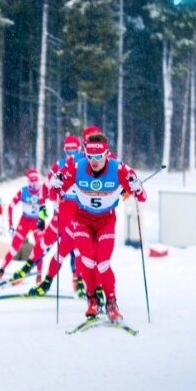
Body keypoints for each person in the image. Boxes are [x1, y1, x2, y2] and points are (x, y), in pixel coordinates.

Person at [47, 132, 146, 322]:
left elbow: (142, 197)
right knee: (87, 261)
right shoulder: (75, 166)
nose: (94, 161)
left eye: (98, 157)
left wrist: (138, 187)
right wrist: (55, 185)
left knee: (102, 262)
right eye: (90, 156)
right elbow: (54, 195)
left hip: (106, 221)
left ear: (106, 154)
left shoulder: (120, 169)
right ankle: (92, 300)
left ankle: (111, 303)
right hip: (82, 219)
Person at [30, 135, 86, 296]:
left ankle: (79, 282)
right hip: (60, 213)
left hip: (78, 216)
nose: (71, 153)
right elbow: (45, 188)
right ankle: (37, 275)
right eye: (68, 150)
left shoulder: (84, 165)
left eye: (74, 150)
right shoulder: (59, 165)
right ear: (64, 150)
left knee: (76, 250)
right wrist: (42, 212)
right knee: (48, 246)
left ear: (79, 149)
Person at [0, 169, 48, 283]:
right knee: (14, 247)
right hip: (25, 221)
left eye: (36, 181)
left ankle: (39, 274)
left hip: (38, 221)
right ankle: (0, 271)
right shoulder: (23, 192)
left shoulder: (43, 191)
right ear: (28, 181)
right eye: (31, 181)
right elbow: (10, 207)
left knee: (39, 248)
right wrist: (11, 226)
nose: (34, 184)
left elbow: (56, 200)